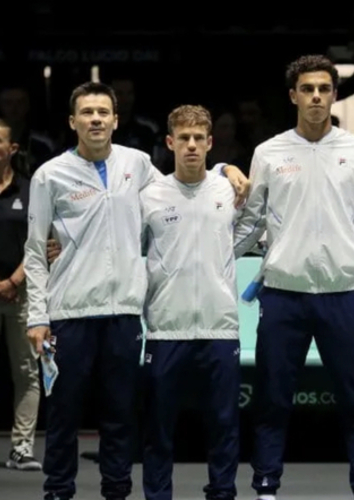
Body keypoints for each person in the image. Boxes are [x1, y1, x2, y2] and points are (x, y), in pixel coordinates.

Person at [23, 82, 249, 500]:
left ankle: (117, 492)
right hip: (68, 314)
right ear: (72, 121)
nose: (95, 119)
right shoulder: (49, 175)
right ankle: (58, 492)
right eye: (87, 112)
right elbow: (36, 251)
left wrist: (224, 170)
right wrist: (37, 315)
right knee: (63, 416)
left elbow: (183, 188)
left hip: (125, 313)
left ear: (115, 119)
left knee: (120, 417)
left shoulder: (139, 164)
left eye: (103, 112)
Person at [232, 54, 354, 500]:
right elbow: (251, 222)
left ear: (334, 94)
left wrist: (349, 252)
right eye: (308, 89)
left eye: (325, 89)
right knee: (273, 401)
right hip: (283, 297)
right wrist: (216, 254)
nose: (317, 96)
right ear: (293, 95)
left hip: (343, 295)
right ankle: (265, 488)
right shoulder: (269, 152)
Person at [140, 105, 245, 500]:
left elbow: (251, 228)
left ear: (210, 143)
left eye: (199, 138)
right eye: (183, 138)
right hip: (167, 329)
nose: (191, 145)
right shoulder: (150, 195)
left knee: (223, 425)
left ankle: (222, 494)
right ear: (170, 142)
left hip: (220, 327)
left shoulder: (228, 189)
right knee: (159, 428)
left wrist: (227, 263)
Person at [0, 118, 41, 471]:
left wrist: (14, 280)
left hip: (22, 292)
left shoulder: (29, 190)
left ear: (12, 148)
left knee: (27, 371)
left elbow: (40, 240)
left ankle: (22, 447)